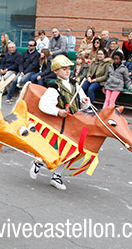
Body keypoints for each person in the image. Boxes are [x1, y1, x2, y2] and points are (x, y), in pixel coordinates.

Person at [32, 55, 90, 190]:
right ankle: (38, 161)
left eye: (69, 69)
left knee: (71, 151)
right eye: (64, 69)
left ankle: (56, 176)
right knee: (55, 147)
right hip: (59, 124)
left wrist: (85, 102)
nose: (67, 71)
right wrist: (58, 112)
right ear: (56, 71)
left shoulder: (75, 84)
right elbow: (43, 105)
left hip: (74, 123)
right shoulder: (54, 87)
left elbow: (83, 105)